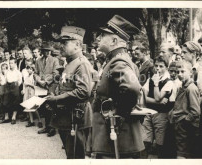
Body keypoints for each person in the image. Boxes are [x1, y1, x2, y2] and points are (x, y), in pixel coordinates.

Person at [92, 15, 144, 159]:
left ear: (114, 41)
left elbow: (132, 88)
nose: (98, 38)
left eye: (103, 35)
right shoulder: (117, 59)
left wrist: (119, 111)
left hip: (117, 134)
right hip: (115, 134)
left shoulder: (118, 61)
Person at [46, 26, 93, 159]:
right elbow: (67, 86)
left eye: (65, 43)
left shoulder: (81, 64)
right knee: (70, 155)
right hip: (68, 117)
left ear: (77, 45)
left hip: (76, 117)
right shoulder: (71, 63)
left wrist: (57, 99)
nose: (61, 46)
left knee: (76, 157)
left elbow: (84, 91)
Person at [181, 41, 202, 158]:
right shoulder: (188, 70)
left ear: (193, 54)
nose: (182, 55)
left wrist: (192, 107)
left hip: (196, 115)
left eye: (185, 53)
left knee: (196, 148)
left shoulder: (200, 72)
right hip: (188, 114)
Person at [142, 55, 173, 158]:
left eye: (161, 66)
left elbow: (158, 96)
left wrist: (156, 85)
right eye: (156, 66)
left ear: (166, 67)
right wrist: (158, 102)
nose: (158, 69)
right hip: (149, 112)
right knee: (145, 140)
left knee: (160, 143)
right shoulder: (150, 79)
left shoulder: (168, 81)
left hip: (161, 115)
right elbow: (145, 98)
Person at [168, 61, 200, 158]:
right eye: (178, 72)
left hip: (184, 126)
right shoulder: (182, 87)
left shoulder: (191, 88)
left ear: (190, 73)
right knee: (179, 151)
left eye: (182, 71)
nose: (179, 74)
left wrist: (185, 121)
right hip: (178, 124)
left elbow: (195, 111)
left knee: (182, 153)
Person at [34, 42, 60, 137]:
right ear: (42, 51)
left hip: (51, 86)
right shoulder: (38, 61)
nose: (47, 53)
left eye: (49, 51)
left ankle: (52, 127)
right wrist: (39, 80)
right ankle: (46, 126)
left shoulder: (55, 60)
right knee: (43, 107)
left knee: (51, 106)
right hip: (41, 87)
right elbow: (35, 73)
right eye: (45, 51)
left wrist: (46, 81)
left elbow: (55, 74)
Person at [0, 57, 22, 124]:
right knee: (5, 101)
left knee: (15, 101)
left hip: (15, 86)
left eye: (12, 63)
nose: (10, 64)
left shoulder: (18, 72)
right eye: (10, 63)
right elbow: (6, 79)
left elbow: (20, 81)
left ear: (15, 64)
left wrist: (16, 85)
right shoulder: (7, 72)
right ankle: (6, 118)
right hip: (7, 86)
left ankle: (13, 117)